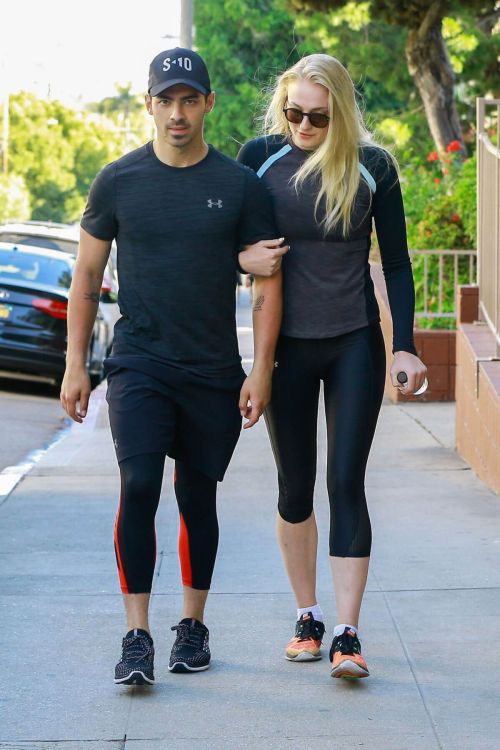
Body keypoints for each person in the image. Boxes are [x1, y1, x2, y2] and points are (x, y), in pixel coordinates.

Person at [60, 47, 283, 685]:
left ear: (208, 103)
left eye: (190, 99)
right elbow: (86, 276)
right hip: (138, 363)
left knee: (195, 495)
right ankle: (137, 635)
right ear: (150, 104)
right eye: (166, 100)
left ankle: (193, 625)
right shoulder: (118, 180)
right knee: (138, 486)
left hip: (213, 368)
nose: (177, 112)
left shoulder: (240, 186)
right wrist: (77, 365)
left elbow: (268, 279)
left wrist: (260, 369)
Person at [237, 53, 427, 679]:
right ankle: (307, 616)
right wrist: (245, 261)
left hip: (353, 342)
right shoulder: (259, 158)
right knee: (295, 488)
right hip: (286, 347)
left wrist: (406, 345)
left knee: (345, 482)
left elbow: (395, 263)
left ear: (340, 112)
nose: (303, 126)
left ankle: (347, 633)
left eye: (317, 117)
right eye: (293, 113)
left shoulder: (374, 167)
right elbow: (234, 248)